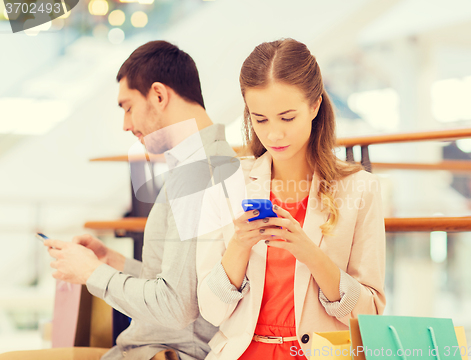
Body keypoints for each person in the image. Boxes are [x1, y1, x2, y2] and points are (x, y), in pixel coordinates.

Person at [0, 41, 235, 360]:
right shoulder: (211, 161)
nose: (126, 124)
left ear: (159, 95)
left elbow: (178, 308)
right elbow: (191, 289)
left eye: (127, 107)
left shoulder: (196, 173)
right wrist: (114, 263)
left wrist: (92, 274)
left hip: (163, 353)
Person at [196, 38, 386, 360]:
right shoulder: (226, 184)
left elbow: (369, 315)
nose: (274, 135)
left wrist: (310, 253)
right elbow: (211, 310)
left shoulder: (360, 189)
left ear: (314, 107)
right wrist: (240, 245)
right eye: (260, 119)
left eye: (287, 118)